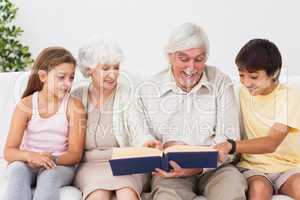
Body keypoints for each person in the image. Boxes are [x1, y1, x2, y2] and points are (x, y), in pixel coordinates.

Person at [136, 22, 247, 200]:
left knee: (231, 192)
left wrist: (198, 166)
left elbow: (228, 137)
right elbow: (141, 136)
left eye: (199, 59)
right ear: (170, 56)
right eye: (184, 59)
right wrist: (150, 145)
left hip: (217, 168)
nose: (191, 67)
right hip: (170, 172)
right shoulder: (149, 89)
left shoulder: (220, 82)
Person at [72, 36, 157, 200]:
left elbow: (138, 129)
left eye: (116, 67)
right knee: (98, 194)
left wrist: (146, 142)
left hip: (126, 163)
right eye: (105, 68)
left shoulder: (127, 94)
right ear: (89, 69)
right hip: (90, 165)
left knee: (126, 193)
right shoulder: (76, 96)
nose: (112, 74)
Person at [214, 39, 300, 199]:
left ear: (274, 73)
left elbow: (271, 142)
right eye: (241, 75)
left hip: (289, 167)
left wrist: (231, 146)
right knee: (259, 189)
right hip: (253, 167)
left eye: (253, 77)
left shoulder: (290, 96)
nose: (246, 83)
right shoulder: (240, 92)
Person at [3, 47, 86, 200]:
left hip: (59, 165)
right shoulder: (26, 105)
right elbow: (9, 151)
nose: (67, 83)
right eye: (61, 77)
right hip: (28, 162)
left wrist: (50, 159)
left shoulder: (74, 106)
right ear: (43, 76)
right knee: (17, 171)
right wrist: (31, 157)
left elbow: (75, 154)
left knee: (49, 176)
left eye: (71, 78)